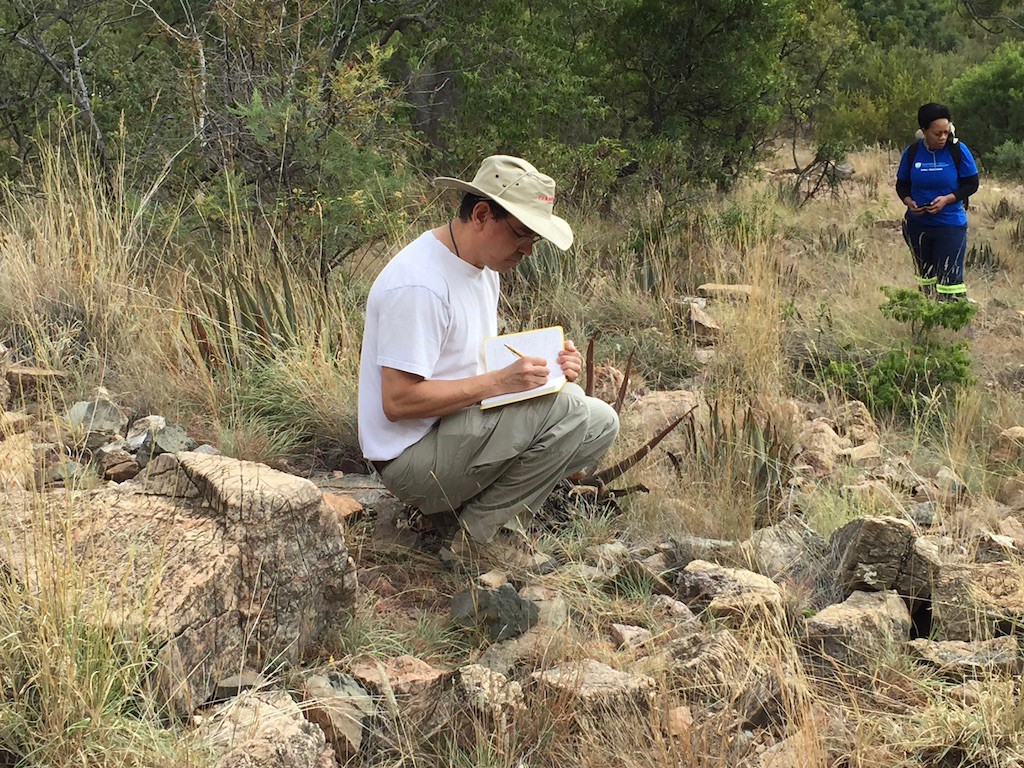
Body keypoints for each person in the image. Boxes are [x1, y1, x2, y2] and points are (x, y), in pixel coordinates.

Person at [357, 155, 619, 570]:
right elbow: (399, 402)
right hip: (411, 461)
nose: (528, 251)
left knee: (602, 421)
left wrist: (551, 367)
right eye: (521, 234)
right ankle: (481, 539)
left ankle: (478, 516)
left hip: (452, 433)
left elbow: (467, 364)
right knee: (567, 408)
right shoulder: (419, 284)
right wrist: (500, 383)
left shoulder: (482, 269)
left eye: (535, 240)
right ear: (481, 214)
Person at [895, 102, 980, 302]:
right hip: (918, 226)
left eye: (946, 132)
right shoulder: (912, 152)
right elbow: (902, 185)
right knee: (926, 277)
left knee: (951, 280)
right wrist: (909, 202)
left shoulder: (958, 150)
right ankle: (928, 320)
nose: (943, 137)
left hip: (950, 225)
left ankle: (956, 324)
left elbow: (971, 184)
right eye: (937, 133)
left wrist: (947, 200)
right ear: (924, 131)